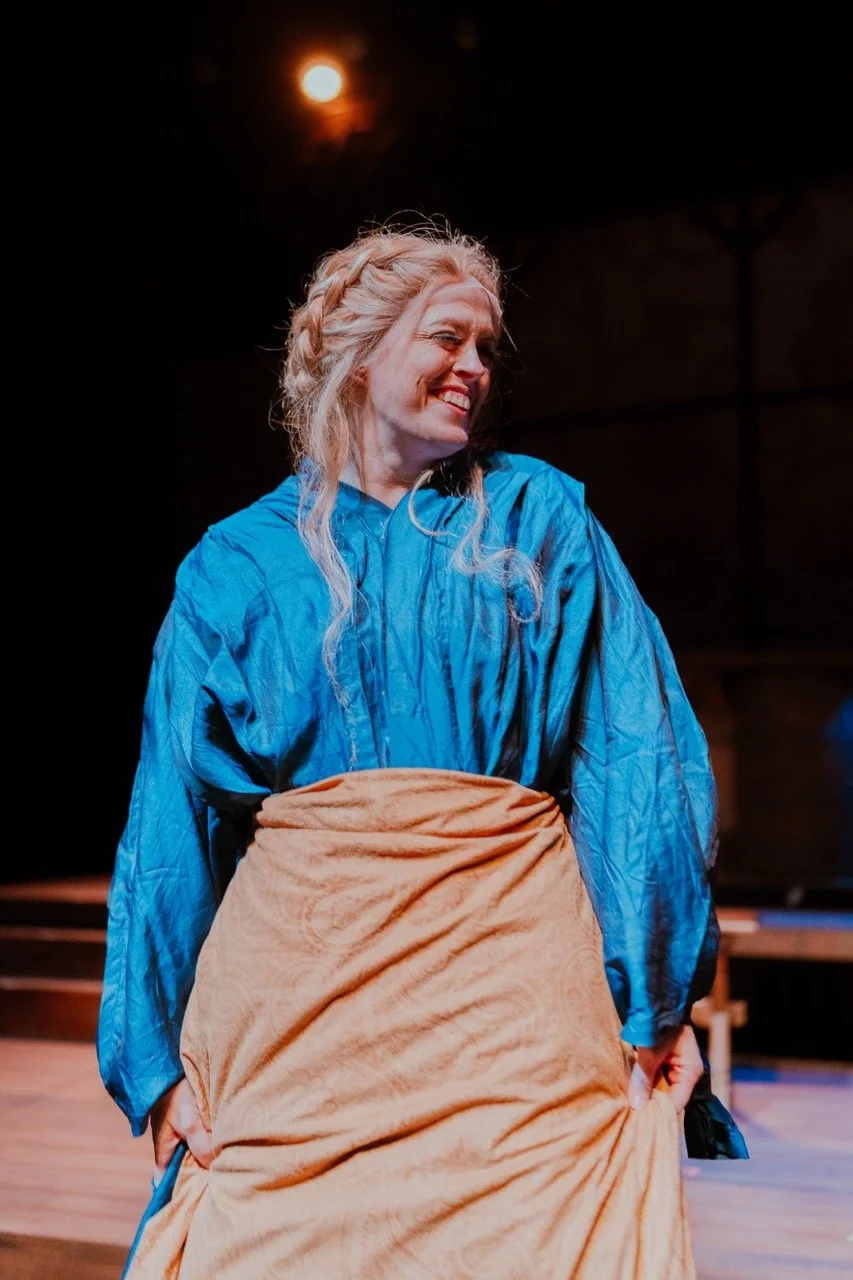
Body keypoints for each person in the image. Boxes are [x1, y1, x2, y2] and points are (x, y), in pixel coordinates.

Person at [98, 222, 746, 1280]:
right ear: (358, 350)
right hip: (298, 1013)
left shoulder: (538, 518)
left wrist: (656, 994)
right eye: (449, 337)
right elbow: (169, 822)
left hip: (509, 999)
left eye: (487, 347)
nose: (475, 369)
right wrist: (153, 1061)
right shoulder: (234, 564)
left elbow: (634, 755)